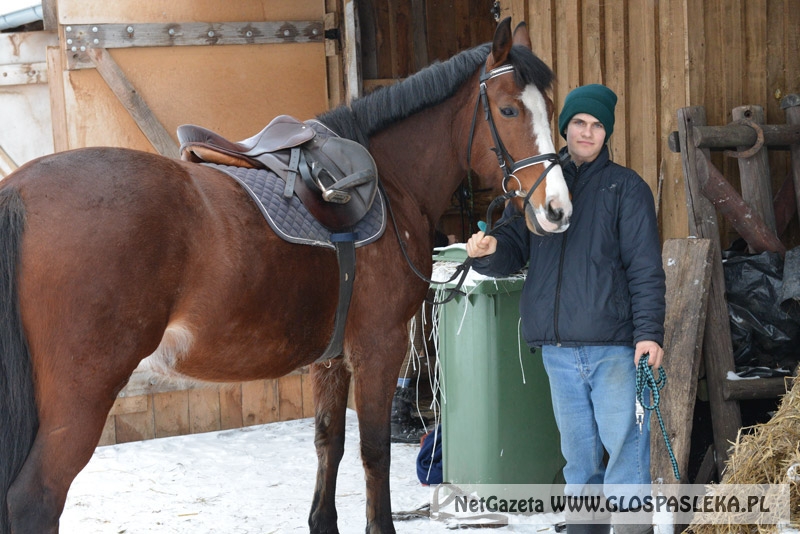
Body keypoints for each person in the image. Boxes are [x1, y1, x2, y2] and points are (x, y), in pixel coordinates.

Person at [466, 84, 665, 534]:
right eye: (579, 123)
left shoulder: (625, 189)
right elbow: (515, 245)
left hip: (612, 349)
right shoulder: (541, 181)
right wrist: (489, 248)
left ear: (606, 133)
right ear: (565, 127)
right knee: (578, 464)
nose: (587, 133)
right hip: (558, 350)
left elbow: (646, 270)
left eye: (597, 126)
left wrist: (649, 333)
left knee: (625, 456)